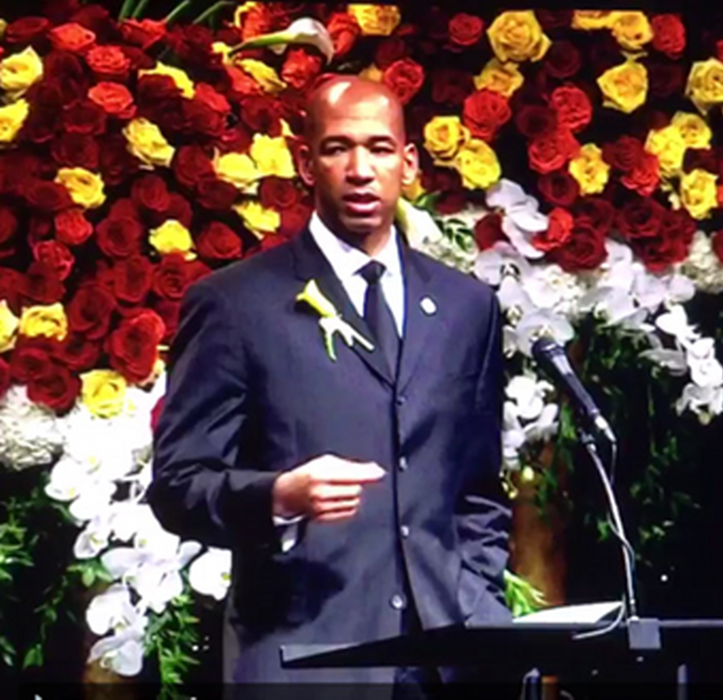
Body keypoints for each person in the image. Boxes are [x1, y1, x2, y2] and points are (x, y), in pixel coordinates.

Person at [147, 75, 512, 691]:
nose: (361, 170)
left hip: (446, 661)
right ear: (305, 162)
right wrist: (277, 497)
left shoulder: (465, 307)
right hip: (307, 658)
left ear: (408, 163)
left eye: (379, 148)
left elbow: (477, 490)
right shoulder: (237, 304)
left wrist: (477, 599)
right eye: (338, 148)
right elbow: (179, 485)